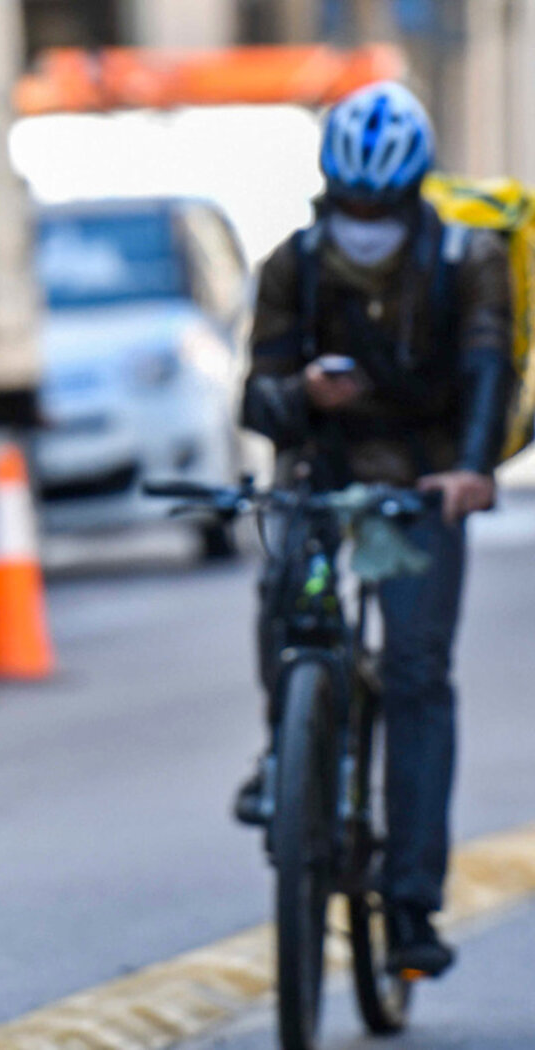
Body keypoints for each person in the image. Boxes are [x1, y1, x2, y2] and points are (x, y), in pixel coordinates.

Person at [237, 81, 512, 977]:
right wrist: (302, 394)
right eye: (351, 202)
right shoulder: (293, 265)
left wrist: (470, 472)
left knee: (417, 672)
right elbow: (257, 398)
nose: (365, 220)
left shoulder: (468, 260)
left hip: (429, 484)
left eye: (381, 204)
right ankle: (289, 747)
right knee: (284, 603)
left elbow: (487, 367)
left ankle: (412, 903)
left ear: (411, 194)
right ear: (328, 191)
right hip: (324, 475)